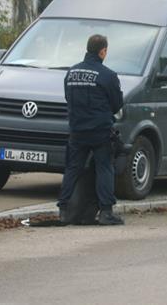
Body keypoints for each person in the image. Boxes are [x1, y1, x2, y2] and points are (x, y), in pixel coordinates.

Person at [58, 34, 125, 225]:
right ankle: (105, 212)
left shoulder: (71, 73)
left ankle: (63, 211)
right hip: (100, 131)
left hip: (77, 130)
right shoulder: (108, 75)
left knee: (72, 168)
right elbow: (117, 103)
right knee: (105, 168)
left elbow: (68, 98)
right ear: (102, 51)